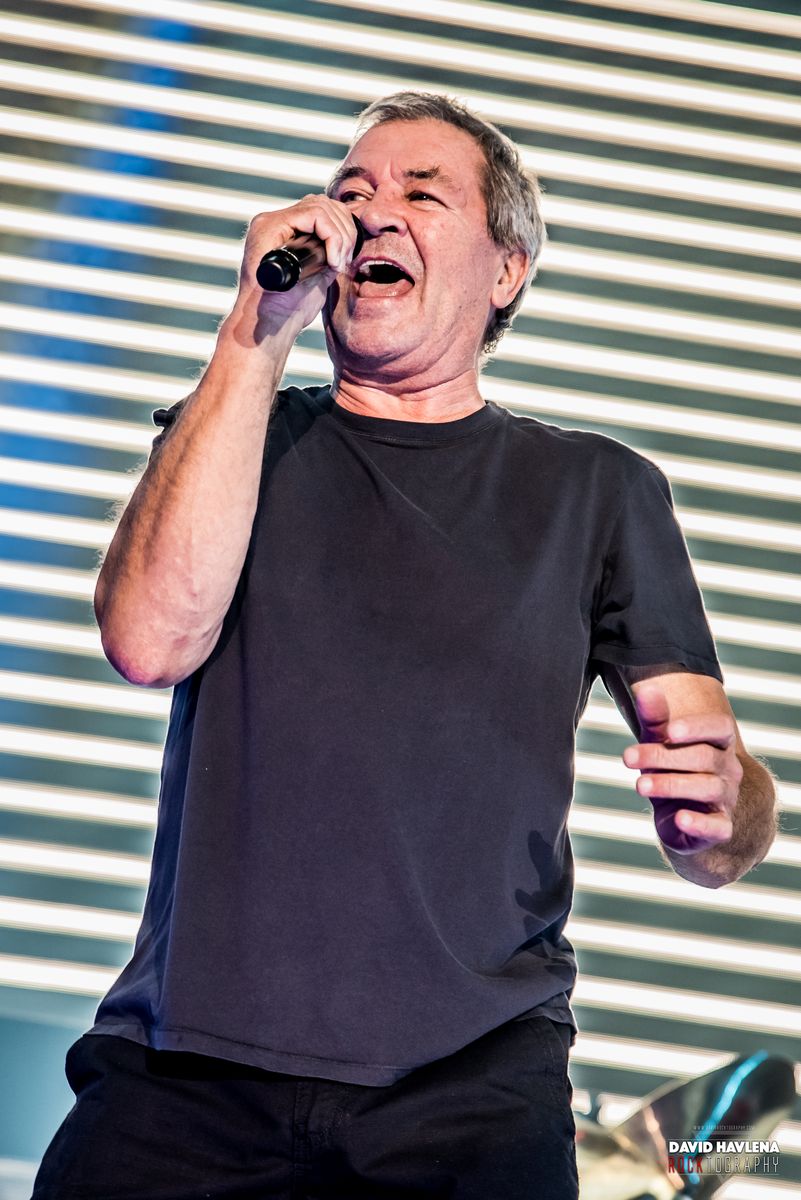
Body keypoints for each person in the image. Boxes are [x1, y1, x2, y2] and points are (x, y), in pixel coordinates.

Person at [32, 91, 777, 1200]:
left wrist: (724, 809)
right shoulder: (243, 439)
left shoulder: (596, 489)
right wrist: (255, 328)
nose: (372, 212)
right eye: (351, 191)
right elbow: (148, 640)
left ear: (506, 269)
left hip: (469, 1091)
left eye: (422, 195)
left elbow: (720, 814)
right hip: (186, 1075)